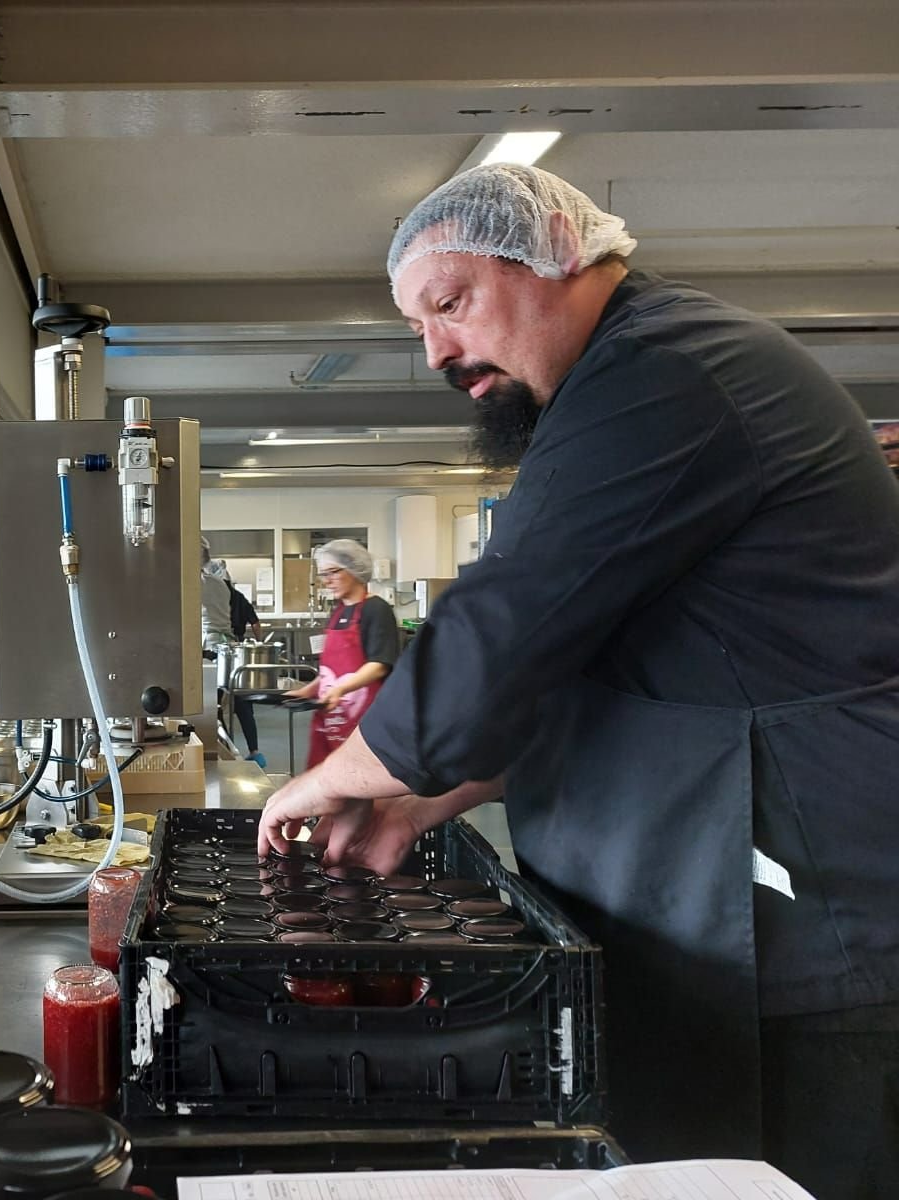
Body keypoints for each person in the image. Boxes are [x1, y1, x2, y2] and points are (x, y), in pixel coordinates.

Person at [256, 164, 899, 1198]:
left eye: (449, 302)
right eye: (417, 325)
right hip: (689, 889)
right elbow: (587, 665)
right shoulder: (614, 394)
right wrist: (424, 798)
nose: (435, 350)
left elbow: (509, 619)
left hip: (801, 918)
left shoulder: (670, 374)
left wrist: (338, 775)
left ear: (555, 245)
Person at [283, 539, 399, 770]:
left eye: (332, 573)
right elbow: (333, 671)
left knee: (362, 780)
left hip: (364, 718)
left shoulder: (376, 609)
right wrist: (310, 689)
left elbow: (379, 664)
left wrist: (341, 690)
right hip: (331, 716)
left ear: (354, 570)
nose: (326, 581)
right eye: (323, 574)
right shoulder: (339, 610)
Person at [200, 539, 264, 766]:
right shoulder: (221, 586)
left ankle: (225, 755)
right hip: (229, 652)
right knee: (240, 701)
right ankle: (254, 750)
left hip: (207, 651)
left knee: (211, 709)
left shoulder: (191, 585)